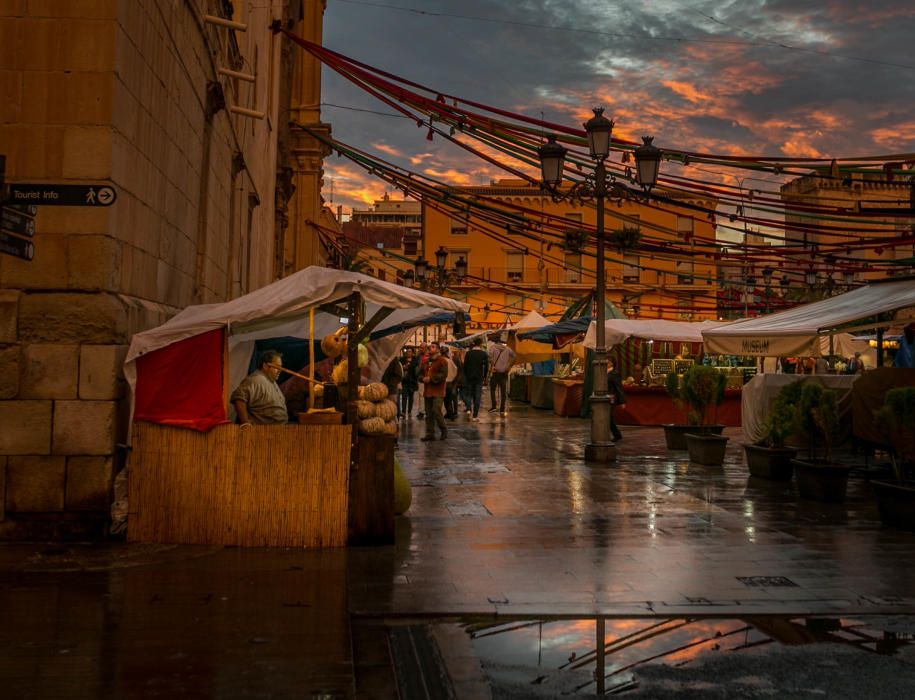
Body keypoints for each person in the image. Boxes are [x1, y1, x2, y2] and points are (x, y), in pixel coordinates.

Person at [231, 350, 288, 425]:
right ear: (265, 366)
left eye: (280, 368)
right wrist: (245, 422)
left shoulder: (271, 381)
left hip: (279, 431)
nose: (280, 370)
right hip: (263, 431)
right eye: (277, 367)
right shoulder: (255, 379)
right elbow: (238, 398)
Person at [421, 342, 449, 441]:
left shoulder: (442, 361)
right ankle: (430, 433)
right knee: (428, 413)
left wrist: (432, 378)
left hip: (438, 391)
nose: (430, 348)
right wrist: (422, 378)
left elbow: (443, 374)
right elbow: (420, 372)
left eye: (433, 347)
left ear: (438, 349)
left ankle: (443, 430)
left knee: (436, 410)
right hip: (427, 391)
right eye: (430, 347)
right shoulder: (426, 361)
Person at [487, 335, 516, 416]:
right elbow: (514, 356)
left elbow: (489, 358)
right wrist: (509, 366)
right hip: (504, 373)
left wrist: (493, 365)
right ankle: (502, 409)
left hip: (496, 372)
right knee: (503, 392)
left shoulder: (492, 348)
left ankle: (494, 406)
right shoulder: (507, 348)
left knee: (493, 390)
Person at [462, 337, 488, 421]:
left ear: (474, 344)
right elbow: (486, 366)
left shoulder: (469, 353)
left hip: (469, 377)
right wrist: (484, 377)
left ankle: (469, 408)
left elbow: (465, 365)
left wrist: (465, 375)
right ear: (480, 344)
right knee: (477, 396)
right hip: (479, 378)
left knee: (468, 394)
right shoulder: (483, 354)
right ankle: (475, 416)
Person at [606, 357, 626, 441]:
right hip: (605, 397)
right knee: (607, 417)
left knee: (608, 417)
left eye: (607, 361)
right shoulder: (605, 372)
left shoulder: (615, 373)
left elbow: (618, 388)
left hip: (611, 397)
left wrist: (622, 401)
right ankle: (616, 434)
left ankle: (617, 434)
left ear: (611, 363)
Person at [399, 348, 418, 418]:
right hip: (405, 381)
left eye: (410, 351)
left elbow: (416, 369)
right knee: (404, 396)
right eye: (407, 351)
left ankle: (409, 411)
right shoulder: (402, 359)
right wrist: (403, 367)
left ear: (412, 353)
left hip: (412, 381)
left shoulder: (415, 360)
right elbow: (399, 367)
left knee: (411, 397)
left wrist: (410, 367)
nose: (408, 353)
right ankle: (403, 411)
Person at [441, 347, 459, 420]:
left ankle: (450, 414)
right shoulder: (450, 361)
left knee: (445, 400)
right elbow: (455, 370)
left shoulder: (440, 361)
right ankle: (449, 413)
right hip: (449, 382)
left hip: (442, 383)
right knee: (448, 399)